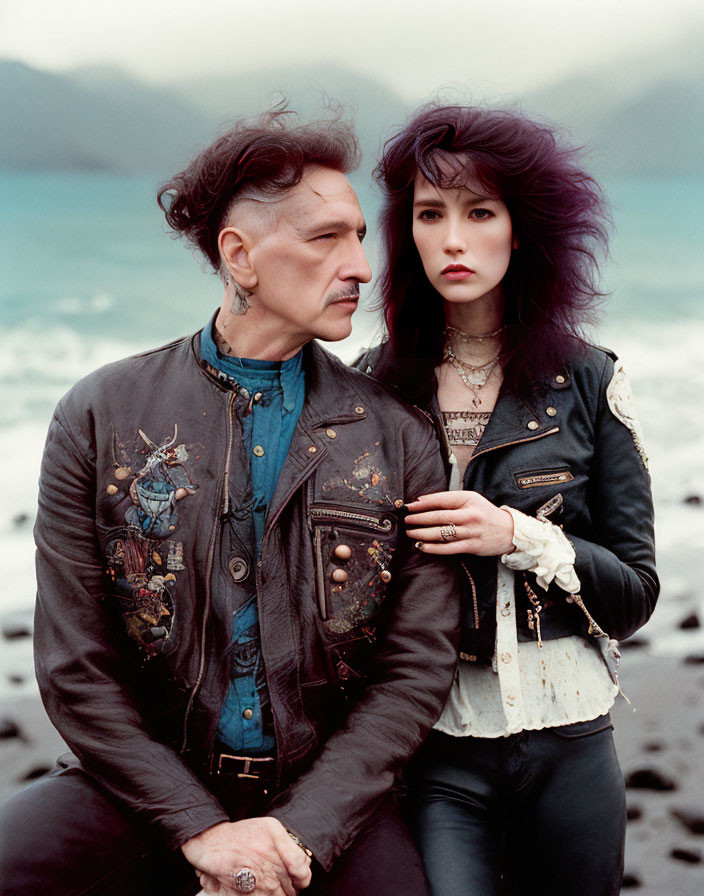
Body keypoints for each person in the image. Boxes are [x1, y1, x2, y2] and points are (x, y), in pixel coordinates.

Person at [0, 109, 460, 896]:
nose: (360, 265)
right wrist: (201, 828)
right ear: (240, 257)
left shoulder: (398, 437)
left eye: (359, 236)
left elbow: (414, 668)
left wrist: (296, 832)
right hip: (146, 789)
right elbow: (76, 667)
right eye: (325, 239)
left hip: (327, 800)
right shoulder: (101, 413)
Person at [355, 104, 659, 896]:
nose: (453, 238)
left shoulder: (590, 380)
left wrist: (520, 534)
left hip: (573, 742)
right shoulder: (372, 387)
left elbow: (633, 596)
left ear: (519, 231)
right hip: (436, 746)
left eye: (480, 212)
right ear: (407, 232)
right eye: (430, 214)